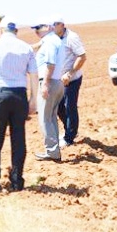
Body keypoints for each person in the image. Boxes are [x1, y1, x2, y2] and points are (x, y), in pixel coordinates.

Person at [0, 22, 38, 191]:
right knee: (18, 138)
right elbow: (33, 74)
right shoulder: (26, 48)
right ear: (16, 31)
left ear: (1, 30)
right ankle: (17, 180)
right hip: (19, 96)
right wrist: (33, 99)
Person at [31, 18, 66, 162]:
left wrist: (45, 83)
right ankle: (54, 150)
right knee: (51, 117)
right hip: (56, 82)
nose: (36, 31)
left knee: (45, 118)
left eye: (39, 27)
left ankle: (52, 152)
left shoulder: (50, 42)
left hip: (49, 82)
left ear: (48, 27)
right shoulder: (54, 40)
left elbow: (50, 64)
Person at [50, 16, 87, 147]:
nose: (52, 27)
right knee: (59, 107)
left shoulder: (71, 37)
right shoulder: (52, 37)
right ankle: (70, 130)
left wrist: (70, 73)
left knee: (69, 106)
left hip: (72, 78)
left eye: (55, 24)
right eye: (51, 24)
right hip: (58, 79)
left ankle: (69, 137)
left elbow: (82, 56)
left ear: (62, 25)